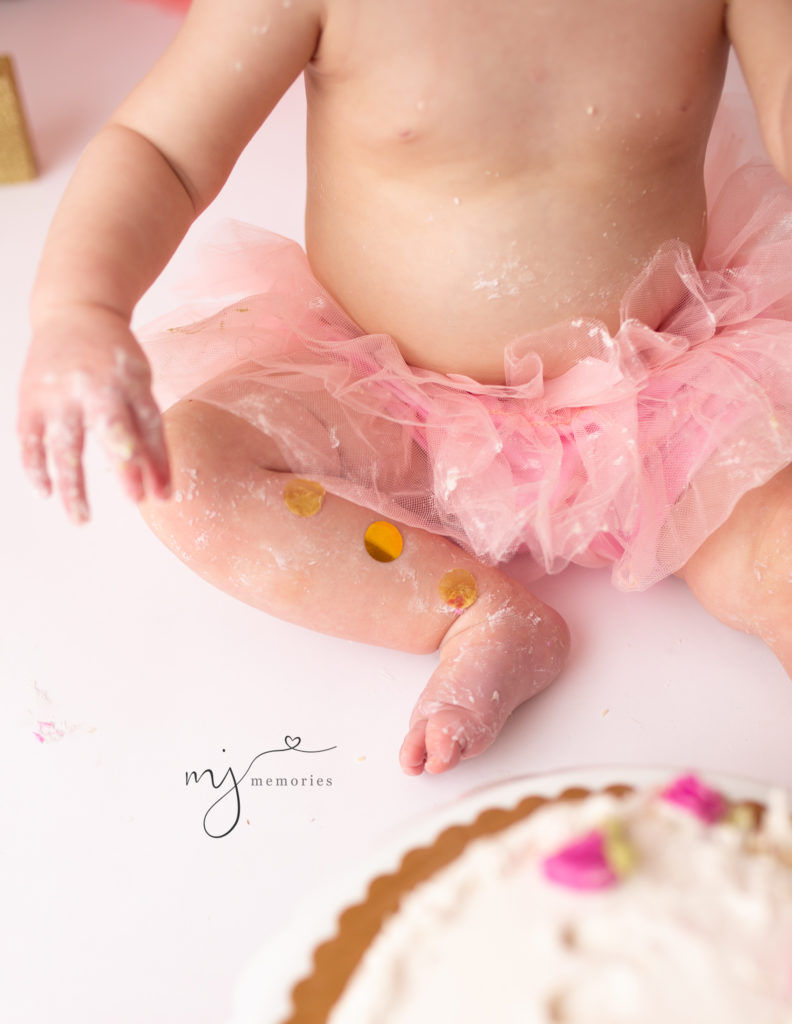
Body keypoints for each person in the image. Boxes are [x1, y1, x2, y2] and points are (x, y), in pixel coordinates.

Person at [17, 0, 792, 775]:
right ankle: (473, 610)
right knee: (188, 474)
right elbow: (163, 150)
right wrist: (79, 309)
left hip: (663, 402)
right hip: (385, 402)